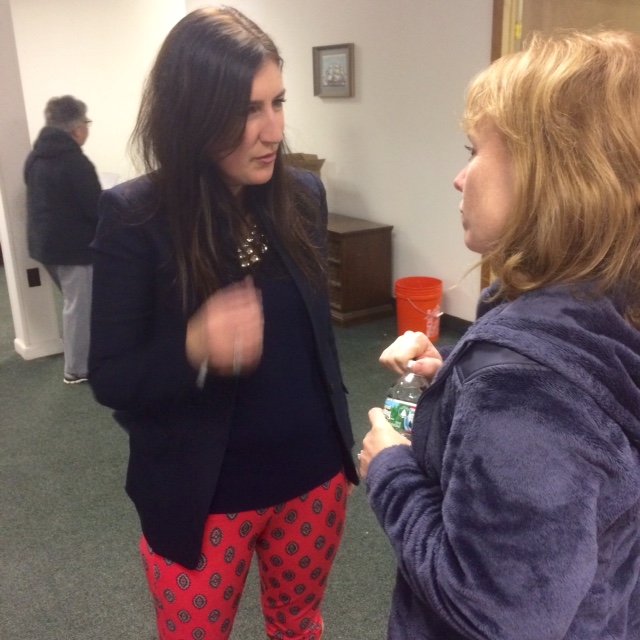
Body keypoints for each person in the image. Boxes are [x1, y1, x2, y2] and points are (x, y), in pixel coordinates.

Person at [360, 30, 640, 640]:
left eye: (474, 151)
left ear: (552, 177)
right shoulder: (610, 310)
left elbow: (497, 611)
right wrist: (458, 376)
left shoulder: (525, 384)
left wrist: (391, 470)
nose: (460, 178)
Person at [88, 7, 358, 640]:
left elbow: (317, 340)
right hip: (203, 494)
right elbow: (111, 377)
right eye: (247, 110)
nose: (273, 130)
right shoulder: (135, 218)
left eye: (278, 102)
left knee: (298, 627)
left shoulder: (303, 197)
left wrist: (339, 446)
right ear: (194, 114)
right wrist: (193, 345)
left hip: (313, 478)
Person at [25, 95, 101, 384]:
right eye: (87, 123)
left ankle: (85, 356)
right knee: (78, 309)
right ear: (77, 129)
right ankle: (77, 369)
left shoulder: (35, 157)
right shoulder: (75, 161)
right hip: (73, 250)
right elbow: (95, 207)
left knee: (74, 303)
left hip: (44, 246)